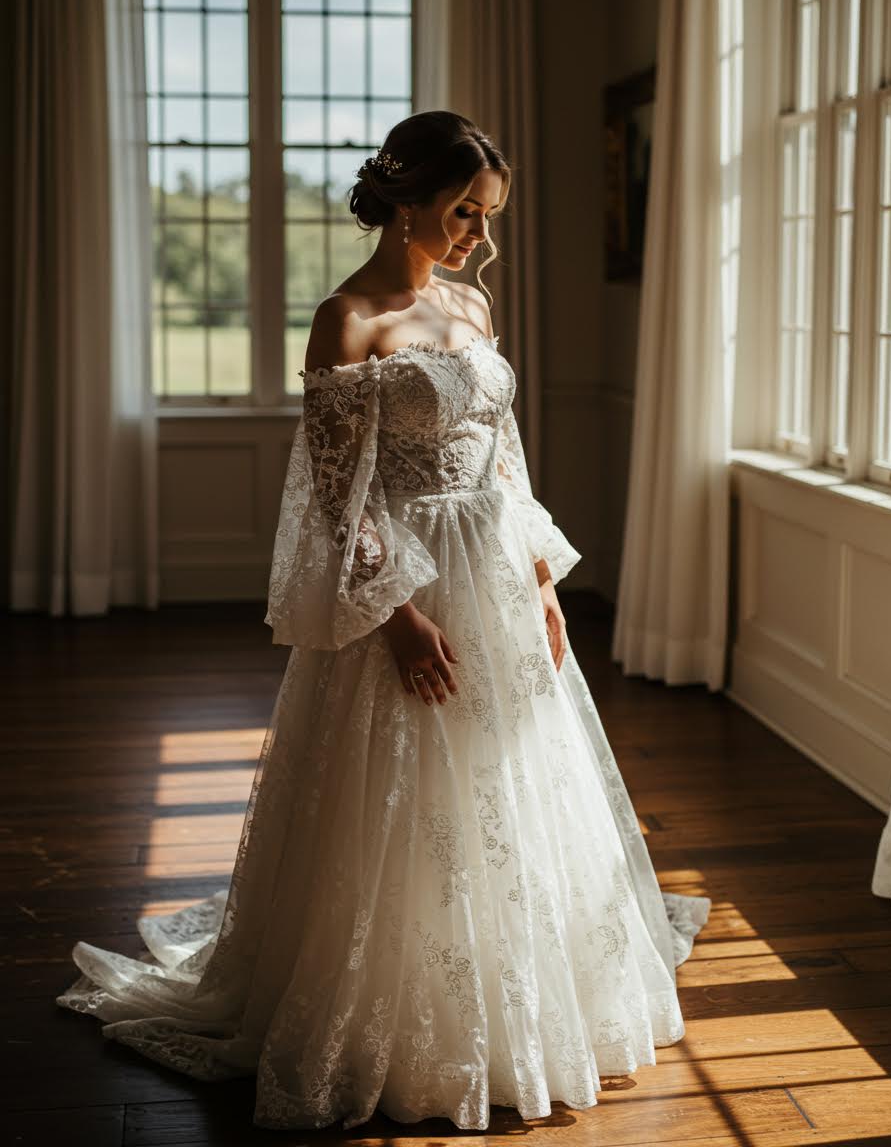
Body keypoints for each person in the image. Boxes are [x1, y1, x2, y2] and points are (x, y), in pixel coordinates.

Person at [56, 110, 711, 1131]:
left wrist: (541, 578)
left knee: (509, 772)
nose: (476, 237)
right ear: (405, 200)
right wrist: (395, 614)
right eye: (462, 212)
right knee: (402, 785)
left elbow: (504, 456)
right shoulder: (345, 318)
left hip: (494, 569)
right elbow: (335, 497)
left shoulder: (472, 304)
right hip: (406, 576)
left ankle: (520, 986)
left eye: (486, 217)